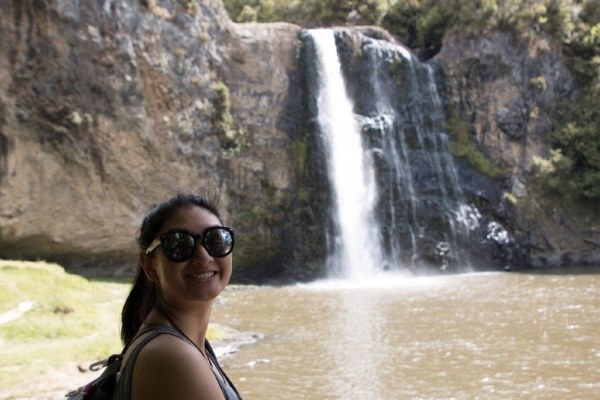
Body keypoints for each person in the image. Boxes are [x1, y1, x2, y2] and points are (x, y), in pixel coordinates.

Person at [113, 192, 242, 400]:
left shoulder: (184, 343)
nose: (203, 257)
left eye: (216, 239)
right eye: (179, 245)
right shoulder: (172, 356)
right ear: (150, 265)